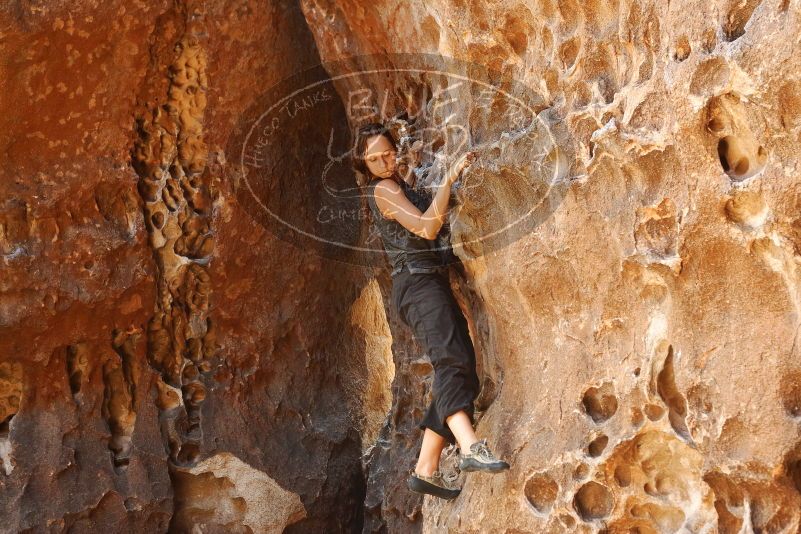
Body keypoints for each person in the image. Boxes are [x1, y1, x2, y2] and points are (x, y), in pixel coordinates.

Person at [352, 122, 510, 501]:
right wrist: (451, 177)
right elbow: (425, 228)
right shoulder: (384, 190)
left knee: (460, 366)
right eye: (373, 159)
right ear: (364, 165)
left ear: (396, 148)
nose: (383, 162)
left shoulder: (397, 185)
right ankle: (472, 448)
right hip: (417, 285)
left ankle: (426, 468)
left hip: (426, 284)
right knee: (451, 362)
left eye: (387, 152)